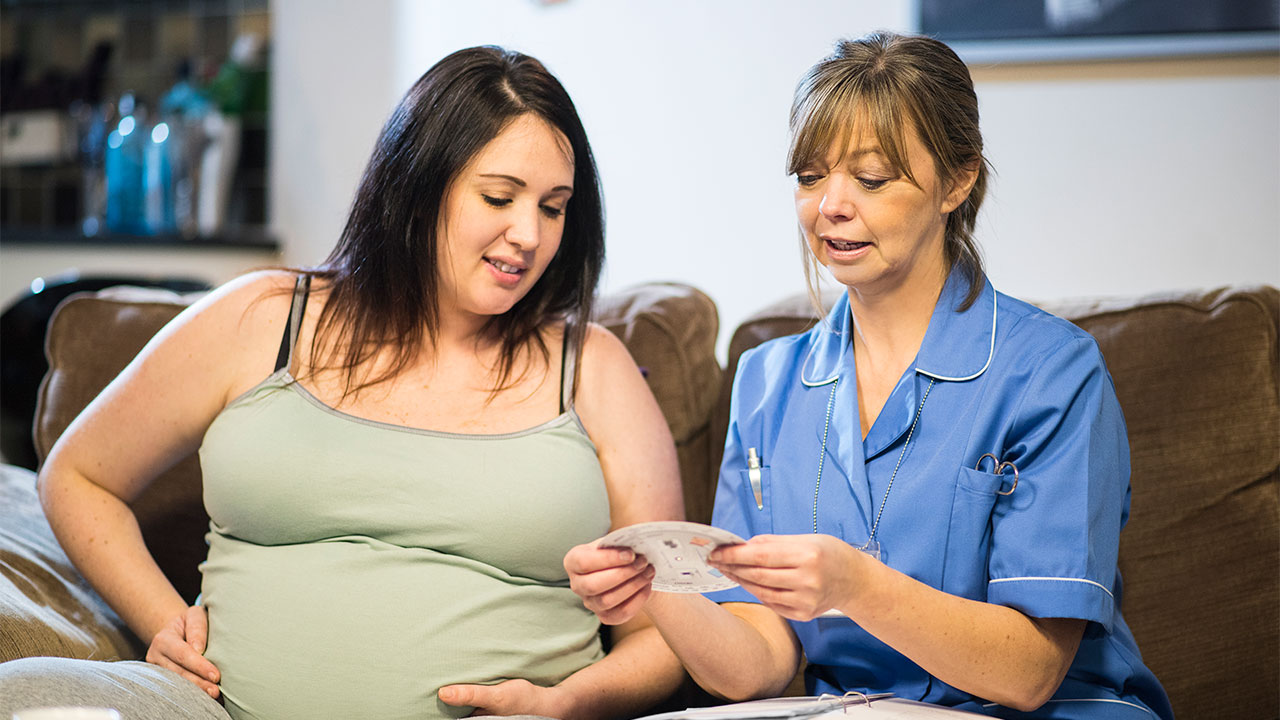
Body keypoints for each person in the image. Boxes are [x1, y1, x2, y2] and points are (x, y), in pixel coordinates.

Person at [0, 46, 685, 720]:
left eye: (554, 207)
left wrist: (565, 704)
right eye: (499, 197)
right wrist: (166, 623)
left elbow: (665, 632)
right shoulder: (260, 317)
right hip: (214, 710)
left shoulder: (593, 368)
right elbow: (80, 476)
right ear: (416, 186)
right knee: (22, 694)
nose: (529, 234)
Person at [566, 31, 1174, 719]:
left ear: (958, 179)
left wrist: (858, 586)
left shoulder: (1052, 374)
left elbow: (1029, 671)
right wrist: (654, 591)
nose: (830, 206)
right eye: (810, 176)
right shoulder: (767, 383)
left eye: (872, 178)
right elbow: (758, 662)